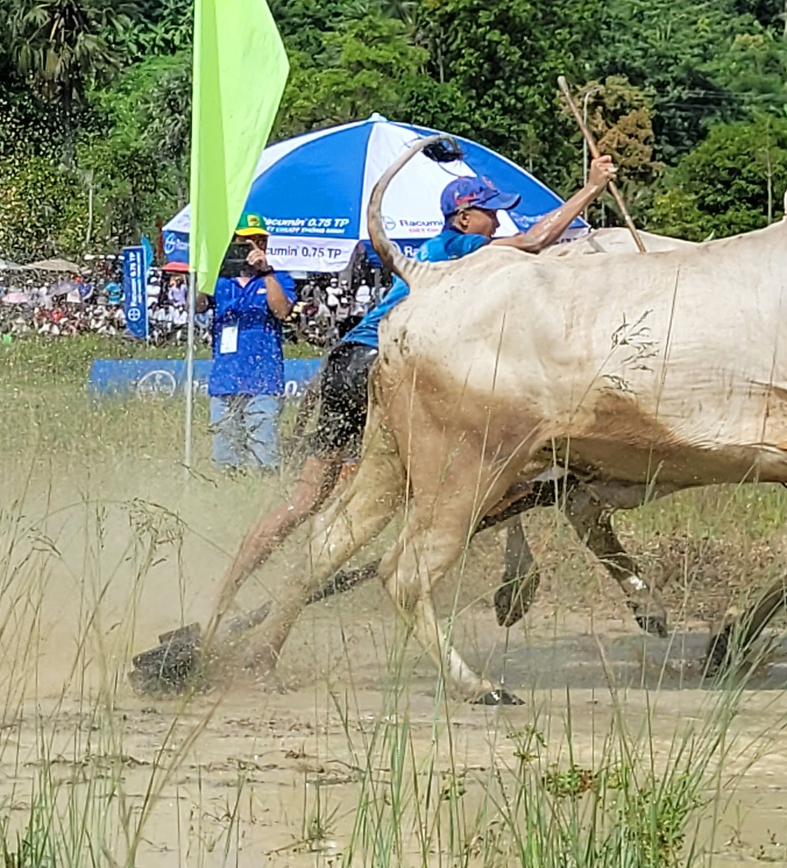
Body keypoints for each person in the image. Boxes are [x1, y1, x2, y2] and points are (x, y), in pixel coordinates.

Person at [208, 154, 619, 613]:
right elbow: (536, 239)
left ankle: (222, 598)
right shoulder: (461, 246)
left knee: (305, 500)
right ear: (464, 217)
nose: (497, 220)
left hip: (347, 359)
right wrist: (591, 189)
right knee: (469, 480)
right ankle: (513, 556)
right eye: (491, 212)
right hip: (382, 363)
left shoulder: (433, 248)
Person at [197, 214, 296, 471]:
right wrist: (206, 271)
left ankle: (262, 503)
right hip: (224, 382)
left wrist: (266, 272)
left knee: (263, 457)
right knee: (224, 461)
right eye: (247, 240)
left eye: (260, 240)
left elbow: (282, 311)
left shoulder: (278, 277)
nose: (254, 245)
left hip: (263, 380)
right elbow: (196, 306)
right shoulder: (220, 280)